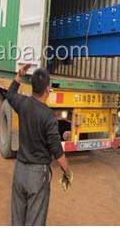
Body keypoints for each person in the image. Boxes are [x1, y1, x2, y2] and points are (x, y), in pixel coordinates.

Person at [6, 63, 71, 226]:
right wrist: (67, 171)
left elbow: (10, 93)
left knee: (17, 221)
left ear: (32, 87)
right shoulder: (48, 116)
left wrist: (20, 75)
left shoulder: (22, 104)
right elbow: (56, 149)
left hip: (19, 171)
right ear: (48, 89)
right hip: (38, 175)